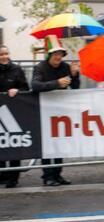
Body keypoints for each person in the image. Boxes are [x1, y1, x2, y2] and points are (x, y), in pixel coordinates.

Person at [32, 35, 79, 186]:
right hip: (44, 110)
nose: (58, 57)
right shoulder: (40, 67)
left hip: (61, 110)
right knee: (47, 144)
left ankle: (57, 174)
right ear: (50, 55)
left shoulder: (65, 67)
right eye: (55, 54)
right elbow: (35, 86)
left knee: (60, 143)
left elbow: (75, 87)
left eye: (60, 54)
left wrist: (74, 75)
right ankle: (47, 176)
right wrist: (56, 83)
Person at [0, 45, 30, 188]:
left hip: (14, 113)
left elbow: (26, 88)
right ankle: (2, 176)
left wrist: (17, 90)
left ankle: (13, 177)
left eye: (6, 53)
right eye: (1, 54)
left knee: (14, 143)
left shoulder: (17, 69)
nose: (4, 56)